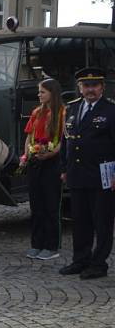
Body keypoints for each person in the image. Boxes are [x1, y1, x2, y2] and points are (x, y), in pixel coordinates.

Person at [59, 67, 115, 280]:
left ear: (102, 87)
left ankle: (98, 264)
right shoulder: (72, 109)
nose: (90, 89)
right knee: (80, 221)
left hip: (103, 176)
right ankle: (80, 259)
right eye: (86, 86)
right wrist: (64, 168)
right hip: (77, 173)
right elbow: (66, 141)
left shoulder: (110, 111)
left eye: (95, 85)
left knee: (102, 222)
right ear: (80, 88)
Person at [20, 78, 65, 260]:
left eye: (42, 92)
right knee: (36, 205)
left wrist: (51, 153)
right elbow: (29, 137)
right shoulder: (37, 112)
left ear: (52, 93)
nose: (39, 95)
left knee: (51, 206)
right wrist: (26, 156)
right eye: (39, 92)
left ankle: (51, 245)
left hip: (52, 162)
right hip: (35, 161)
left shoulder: (62, 113)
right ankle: (36, 243)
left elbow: (62, 139)